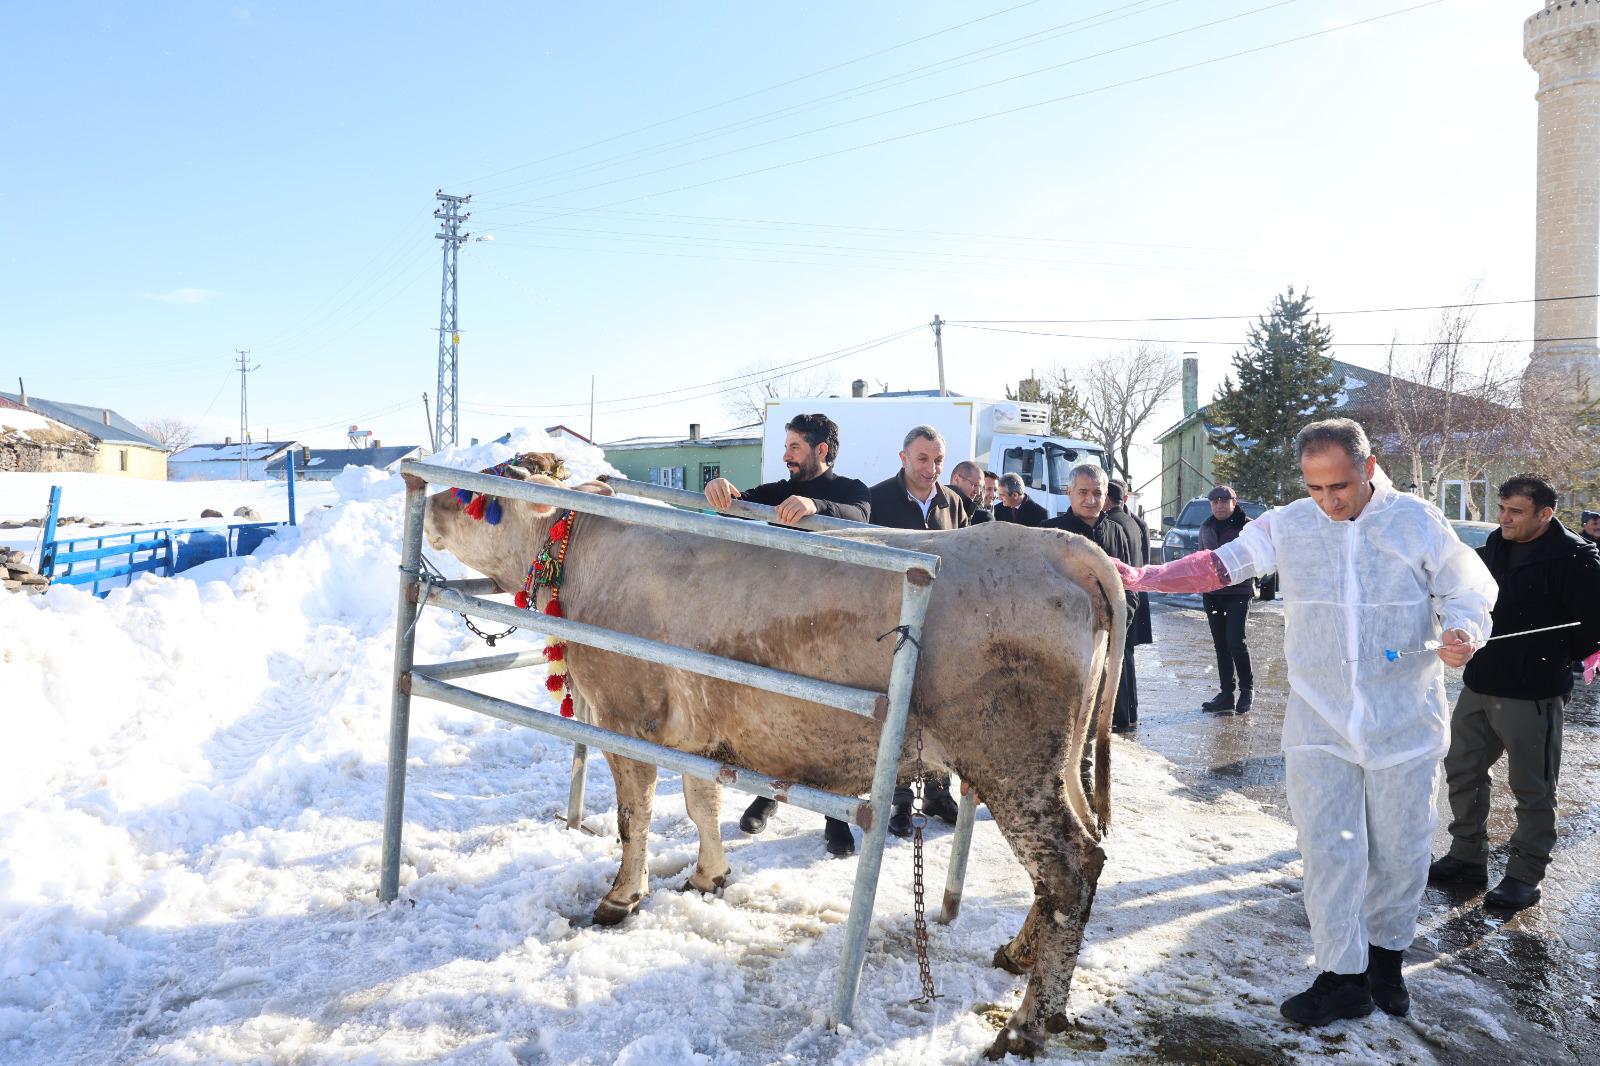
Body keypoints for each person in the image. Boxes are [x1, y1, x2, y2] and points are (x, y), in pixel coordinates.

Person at [1116, 418, 1496, 1028]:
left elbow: (1469, 586)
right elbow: (1223, 564)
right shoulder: (1290, 523)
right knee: (1328, 852)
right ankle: (1341, 976)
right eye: (1315, 489)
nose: (1328, 501)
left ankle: (1386, 961)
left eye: (1340, 486)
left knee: (1401, 850)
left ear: (1368, 469)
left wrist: (1463, 631)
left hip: (1404, 722)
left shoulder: (1414, 520)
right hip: (1320, 722)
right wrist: (1148, 577)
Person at [1429, 475, 1600, 911]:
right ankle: (1467, 856)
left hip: (1533, 692)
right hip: (1480, 683)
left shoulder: (1576, 559)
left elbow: (1591, 630)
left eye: (1515, 511)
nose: (1503, 517)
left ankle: (1525, 876)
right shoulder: (1493, 547)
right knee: (1462, 771)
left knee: (1533, 788)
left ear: (1545, 514)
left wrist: (1559, 655)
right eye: (1502, 508)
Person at [705, 412, 870, 857]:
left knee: (827, 722)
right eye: (786, 447)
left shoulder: (850, 490)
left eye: (795, 447)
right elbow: (741, 500)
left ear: (822, 451)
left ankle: (835, 815)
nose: (786, 456)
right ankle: (769, 793)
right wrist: (720, 489)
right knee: (779, 714)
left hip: (832, 631)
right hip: (780, 628)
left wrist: (818, 509)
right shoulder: (779, 490)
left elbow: (859, 513)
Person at [867, 425, 966, 835]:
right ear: (903, 457)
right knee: (902, 709)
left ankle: (940, 791)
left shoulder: (953, 502)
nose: (932, 468)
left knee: (940, 705)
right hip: (893, 622)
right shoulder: (877, 499)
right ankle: (902, 799)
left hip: (941, 623)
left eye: (939, 460)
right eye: (923, 459)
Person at [1044, 465, 1140, 734]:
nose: (1090, 499)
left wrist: (1118, 620)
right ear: (1069, 492)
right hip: (1058, 644)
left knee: (1091, 718)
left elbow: (1128, 586)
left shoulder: (1116, 532)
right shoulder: (1050, 532)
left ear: (1106, 494)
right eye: (1083, 492)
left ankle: (1083, 772)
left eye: (1097, 493)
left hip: (1101, 641)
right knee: (1057, 720)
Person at [1197, 485, 1256, 714]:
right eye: (1215, 501)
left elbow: (1256, 556)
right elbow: (1200, 559)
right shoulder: (1206, 527)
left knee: (1235, 642)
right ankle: (1226, 694)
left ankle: (1247, 690)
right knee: (1221, 644)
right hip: (1212, 595)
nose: (1219, 505)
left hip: (1238, 593)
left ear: (1234, 501)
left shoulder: (1248, 526)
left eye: (1224, 500)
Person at [1103, 478, 1153, 667]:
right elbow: (1145, 561)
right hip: (1136, 592)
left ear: (1106, 498)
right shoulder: (1135, 522)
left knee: (1119, 660)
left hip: (1123, 597)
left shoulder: (1110, 524)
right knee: (1126, 658)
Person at [949, 459, 992, 524]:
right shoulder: (936, 508)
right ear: (956, 479)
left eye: (980, 487)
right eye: (974, 484)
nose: (977, 492)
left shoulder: (982, 518)